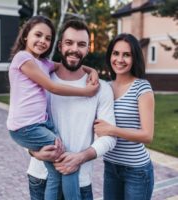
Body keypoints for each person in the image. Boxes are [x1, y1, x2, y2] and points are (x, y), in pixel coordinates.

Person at [7, 16, 99, 200]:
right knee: (67, 164)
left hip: (39, 125)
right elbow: (52, 87)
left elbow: (65, 65)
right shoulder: (22, 58)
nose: (42, 41)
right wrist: (85, 92)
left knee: (57, 171)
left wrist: (93, 71)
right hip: (27, 126)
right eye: (38, 35)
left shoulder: (43, 63)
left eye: (48, 38)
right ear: (26, 36)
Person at [27, 19, 117, 200]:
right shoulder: (41, 80)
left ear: (87, 49)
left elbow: (109, 137)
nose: (74, 49)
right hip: (41, 177)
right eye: (69, 43)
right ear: (60, 46)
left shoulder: (102, 88)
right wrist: (33, 151)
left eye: (81, 44)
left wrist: (81, 157)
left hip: (80, 179)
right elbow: (24, 124)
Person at [94, 33, 155, 200]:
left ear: (134, 58)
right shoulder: (104, 87)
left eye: (126, 55)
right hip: (111, 166)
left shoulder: (141, 87)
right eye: (116, 53)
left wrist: (111, 130)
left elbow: (147, 135)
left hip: (136, 171)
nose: (120, 59)